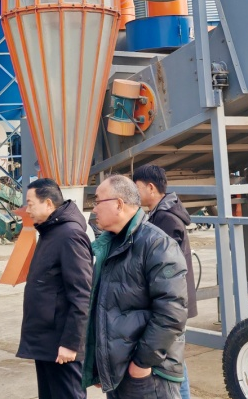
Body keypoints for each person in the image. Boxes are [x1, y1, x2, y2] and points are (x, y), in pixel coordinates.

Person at [83, 175, 188, 399]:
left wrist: (141, 363)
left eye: (98, 202)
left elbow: (172, 312)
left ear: (119, 204)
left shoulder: (157, 244)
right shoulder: (110, 245)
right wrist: (102, 364)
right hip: (119, 371)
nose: (94, 209)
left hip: (149, 375)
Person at [16, 178, 93, 399]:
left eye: (31, 204)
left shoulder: (69, 235)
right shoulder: (51, 231)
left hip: (61, 343)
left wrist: (71, 343)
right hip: (46, 341)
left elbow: (82, 295)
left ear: (48, 204)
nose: (27, 209)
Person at [133, 165, 198, 399]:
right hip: (176, 301)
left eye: (137, 188)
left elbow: (165, 267)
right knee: (174, 358)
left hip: (172, 303)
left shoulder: (165, 219)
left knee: (172, 362)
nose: (135, 193)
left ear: (151, 187)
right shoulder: (162, 214)